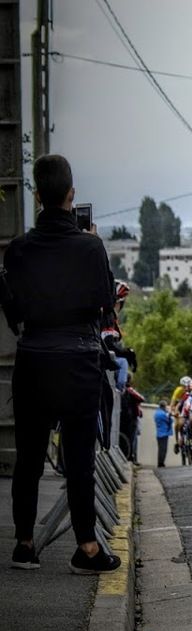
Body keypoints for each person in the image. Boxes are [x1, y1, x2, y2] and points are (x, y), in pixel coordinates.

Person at [1, 154, 120, 573]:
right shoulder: (90, 248)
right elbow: (106, 305)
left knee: (30, 459)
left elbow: (13, 312)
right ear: (72, 195)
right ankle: (87, 546)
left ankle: (24, 543)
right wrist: (91, 242)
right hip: (79, 362)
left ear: (36, 196)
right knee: (79, 458)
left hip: (33, 359)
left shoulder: (17, 251)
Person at [155, 400, 173, 468]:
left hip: (159, 433)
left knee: (160, 449)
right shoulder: (163, 414)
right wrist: (168, 413)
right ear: (164, 406)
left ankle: (160, 462)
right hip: (164, 433)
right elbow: (170, 420)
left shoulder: (157, 413)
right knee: (163, 449)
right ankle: (161, 463)